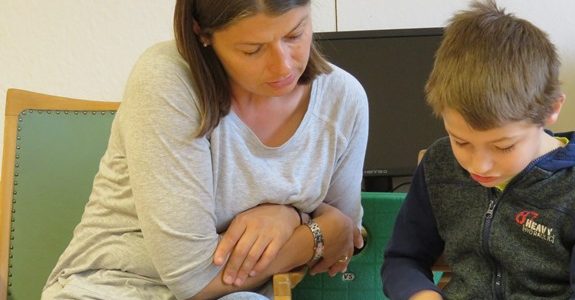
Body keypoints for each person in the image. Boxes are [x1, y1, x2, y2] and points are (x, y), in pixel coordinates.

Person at [42, 0, 368, 299]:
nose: (283, 66)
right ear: (202, 33)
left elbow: (344, 242)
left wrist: (292, 218)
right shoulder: (166, 79)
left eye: (295, 34)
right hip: (111, 286)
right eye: (252, 50)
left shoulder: (343, 99)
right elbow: (193, 279)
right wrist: (314, 232)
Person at [381, 1, 575, 299]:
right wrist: (421, 294)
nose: (479, 166)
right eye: (460, 141)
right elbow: (402, 260)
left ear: (551, 109)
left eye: (503, 146)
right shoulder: (440, 164)